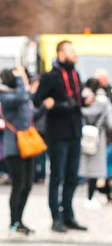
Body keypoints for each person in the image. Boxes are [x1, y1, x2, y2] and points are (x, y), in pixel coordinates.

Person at [33, 40, 94, 232]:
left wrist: (85, 101)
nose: (74, 54)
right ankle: (56, 217)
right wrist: (57, 105)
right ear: (61, 54)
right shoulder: (51, 76)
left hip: (75, 131)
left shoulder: (75, 74)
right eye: (70, 51)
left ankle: (68, 215)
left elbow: (76, 99)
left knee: (72, 177)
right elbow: (37, 101)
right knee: (57, 176)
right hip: (58, 132)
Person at [0, 68, 52, 234]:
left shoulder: (19, 96)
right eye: (21, 78)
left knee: (27, 185)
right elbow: (21, 98)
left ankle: (20, 220)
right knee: (18, 185)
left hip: (27, 146)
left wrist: (44, 107)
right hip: (14, 147)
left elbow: (30, 114)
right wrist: (21, 79)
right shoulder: (4, 95)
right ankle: (14, 222)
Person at [79, 86, 112, 208]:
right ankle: (90, 197)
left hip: (83, 137)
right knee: (95, 170)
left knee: (81, 168)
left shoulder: (82, 105)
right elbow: (110, 123)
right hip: (98, 139)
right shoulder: (105, 105)